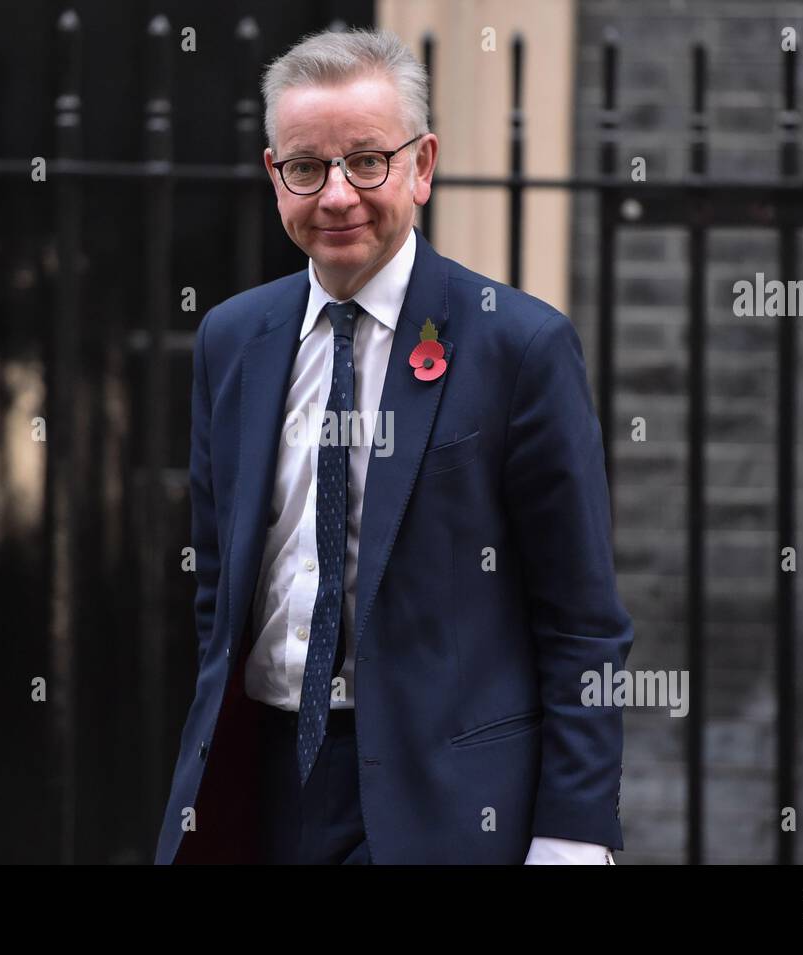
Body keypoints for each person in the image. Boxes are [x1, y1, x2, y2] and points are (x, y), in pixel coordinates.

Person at [155, 26, 632, 865]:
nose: (337, 195)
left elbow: (583, 625)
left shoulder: (518, 347)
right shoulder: (231, 340)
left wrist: (572, 839)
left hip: (442, 808)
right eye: (307, 166)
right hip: (258, 789)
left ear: (423, 164)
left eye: (368, 160)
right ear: (275, 177)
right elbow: (219, 593)